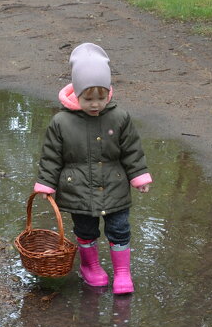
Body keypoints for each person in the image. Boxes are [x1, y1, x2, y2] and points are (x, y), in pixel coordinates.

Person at [35, 42, 151, 293]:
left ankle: (122, 272)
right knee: (85, 230)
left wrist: (139, 176)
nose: (95, 104)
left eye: (101, 97)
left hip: (115, 186)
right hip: (77, 189)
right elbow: (51, 156)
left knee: (119, 228)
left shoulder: (119, 117)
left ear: (109, 91)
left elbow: (131, 149)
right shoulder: (61, 122)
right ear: (76, 92)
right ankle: (90, 267)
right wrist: (46, 184)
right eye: (88, 98)